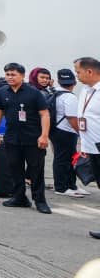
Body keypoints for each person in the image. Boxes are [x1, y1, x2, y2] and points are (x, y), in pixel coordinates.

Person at [0, 62, 51, 214]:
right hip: (12, 138)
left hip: (33, 138)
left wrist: (44, 135)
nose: (10, 77)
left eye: (13, 74)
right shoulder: (2, 92)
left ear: (22, 76)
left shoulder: (34, 93)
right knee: (15, 168)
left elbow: (44, 114)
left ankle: (40, 201)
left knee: (36, 170)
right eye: (7, 74)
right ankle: (19, 197)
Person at [72, 57, 100, 238]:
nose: (77, 76)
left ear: (89, 71)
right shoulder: (85, 91)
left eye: (78, 72)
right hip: (91, 146)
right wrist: (84, 143)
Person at [49, 69, 85, 198]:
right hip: (66, 131)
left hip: (57, 130)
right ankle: (61, 187)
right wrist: (80, 133)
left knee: (67, 159)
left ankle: (71, 185)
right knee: (63, 160)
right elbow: (72, 118)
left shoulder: (55, 93)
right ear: (74, 83)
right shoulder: (69, 97)